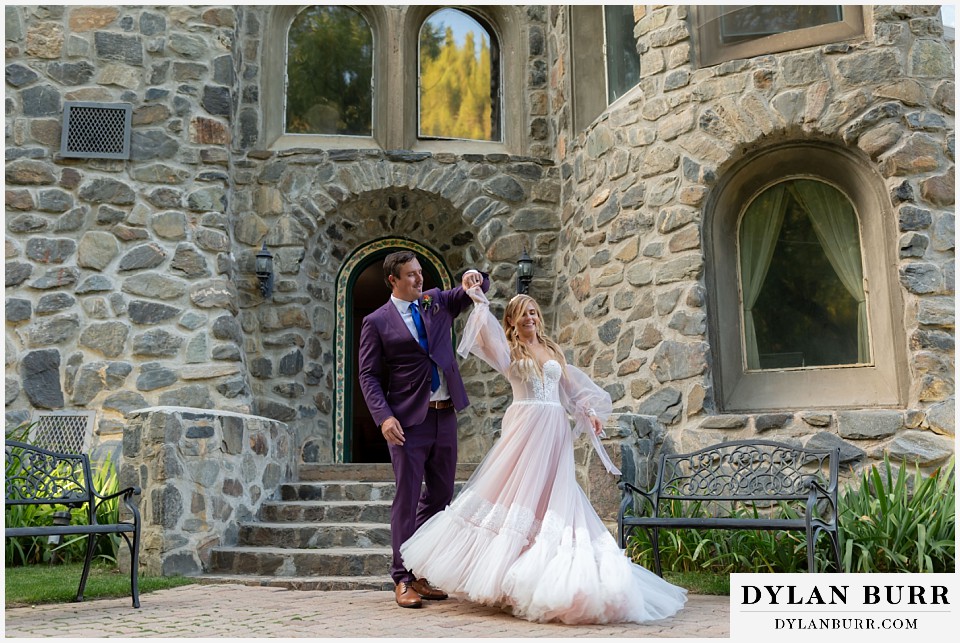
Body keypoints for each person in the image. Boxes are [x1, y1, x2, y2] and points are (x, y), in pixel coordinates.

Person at [399, 289, 688, 624]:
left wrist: (588, 411)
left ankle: (537, 571)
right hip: (525, 427)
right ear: (512, 321)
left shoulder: (551, 350)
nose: (530, 318)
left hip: (554, 429)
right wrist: (480, 304)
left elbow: (569, 389)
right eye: (523, 314)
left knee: (553, 495)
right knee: (515, 493)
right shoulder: (508, 350)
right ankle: (504, 576)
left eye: (533, 312)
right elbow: (481, 333)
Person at [357, 250, 489, 609]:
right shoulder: (376, 321)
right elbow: (367, 375)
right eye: (411, 275)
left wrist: (475, 276)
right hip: (406, 423)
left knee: (442, 495)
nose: (419, 279)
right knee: (407, 495)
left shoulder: (436, 302)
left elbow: (474, 288)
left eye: (420, 273)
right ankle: (402, 578)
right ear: (393, 281)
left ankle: (421, 569)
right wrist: (384, 417)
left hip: (444, 416)